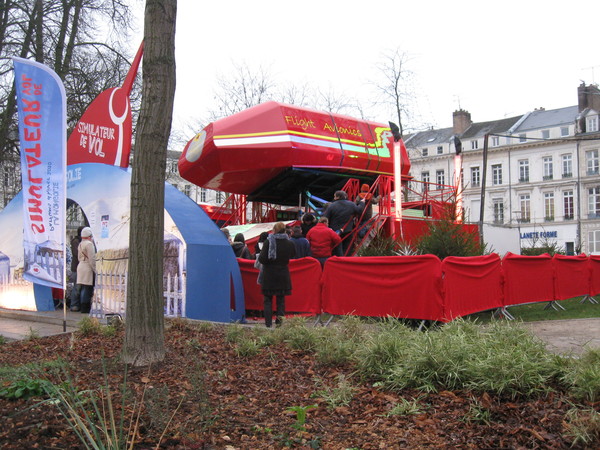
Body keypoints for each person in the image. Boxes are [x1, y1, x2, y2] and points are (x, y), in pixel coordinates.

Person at [258, 222, 296, 327]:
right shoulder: (289, 243)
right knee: (281, 301)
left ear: (274, 230)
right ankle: (279, 324)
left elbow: (262, 259)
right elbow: (293, 254)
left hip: (269, 274)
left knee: (267, 300)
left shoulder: (268, 242)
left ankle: (268, 324)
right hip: (283, 274)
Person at [323, 190, 362, 256]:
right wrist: (362, 203)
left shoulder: (331, 206)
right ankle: (345, 260)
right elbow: (359, 211)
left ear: (337, 197)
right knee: (347, 248)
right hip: (348, 230)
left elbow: (325, 218)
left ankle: (337, 260)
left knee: (336, 249)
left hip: (334, 232)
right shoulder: (351, 204)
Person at [73, 227, 96, 313]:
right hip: (87, 267)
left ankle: (81, 305)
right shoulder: (89, 244)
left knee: (82, 287)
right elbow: (92, 258)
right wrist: (95, 269)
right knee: (87, 288)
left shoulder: (80, 244)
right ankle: (85, 307)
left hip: (80, 265)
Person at [68, 226, 85, 307]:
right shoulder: (76, 241)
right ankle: (74, 304)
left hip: (82, 267)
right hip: (76, 267)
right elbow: (77, 253)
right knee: (77, 287)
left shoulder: (83, 242)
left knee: (82, 287)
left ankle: (80, 304)